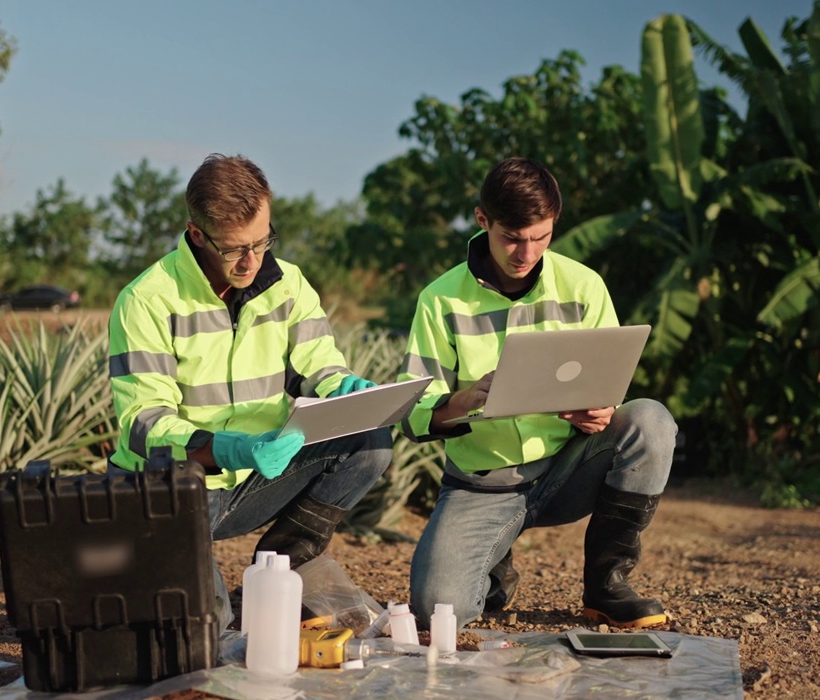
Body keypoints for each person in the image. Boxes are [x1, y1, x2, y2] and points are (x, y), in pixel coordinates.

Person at [108, 153, 392, 628]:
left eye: (263, 242)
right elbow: (144, 423)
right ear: (197, 235)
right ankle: (148, 571)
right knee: (209, 632)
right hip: (173, 490)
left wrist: (341, 385)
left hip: (255, 481)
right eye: (236, 249)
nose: (253, 261)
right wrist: (233, 448)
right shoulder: (146, 300)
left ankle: (284, 565)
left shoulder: (289, 285)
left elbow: (315, 367)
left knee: (369, 443)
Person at [397, 157, 677, 630]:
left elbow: (610, 386)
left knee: (650, 420)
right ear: (483, 220)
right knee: (438, 613)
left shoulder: (584, 286)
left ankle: (606, 587)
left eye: (540, 237)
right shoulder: (440, 299)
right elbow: (414, 416)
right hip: (481, 485)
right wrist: (462, 401)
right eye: (511, 237)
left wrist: (597, 413)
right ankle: (493, 567)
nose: (526, 252)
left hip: (568, 468)